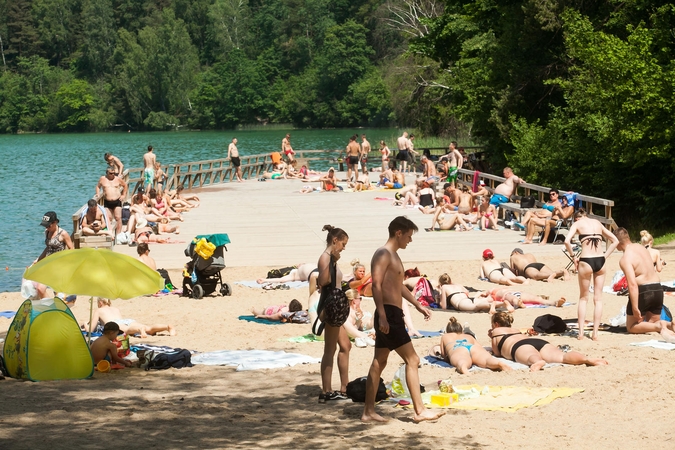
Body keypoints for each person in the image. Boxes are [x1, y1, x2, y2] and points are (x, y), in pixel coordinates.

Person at [361, 216, 444, 423]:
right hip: (388, 313)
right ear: (398, 233)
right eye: (408, 236)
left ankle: (368, 412)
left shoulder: (394, 256)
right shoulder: (383, 254)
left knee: (379, 362)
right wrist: (381, 315)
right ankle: (419, 410)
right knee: (412, 359)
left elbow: (397, 286)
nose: (410, 240)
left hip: (392, 312)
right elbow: (377, 285)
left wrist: (417, 305)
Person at [564, 209, 619, 340]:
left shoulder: (577, 224)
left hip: (586, 260)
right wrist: (605, 256)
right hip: (600, 260)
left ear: (577, 218)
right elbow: (615, 240)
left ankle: (581, 333)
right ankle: (595, 333)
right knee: (598, 299)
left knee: (583, 298)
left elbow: (567, 241)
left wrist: (573, 257)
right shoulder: (597, 223)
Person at [489, 312, 608, 372]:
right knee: (562, 356)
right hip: (537, 341)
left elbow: (497, 353)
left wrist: (492, 336)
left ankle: (537, 362)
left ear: (496, 324)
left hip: (519, 346)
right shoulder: (516, 330)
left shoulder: (496, 331)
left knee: (532, 356)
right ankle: (586, 359)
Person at [615, 228, 675, 342]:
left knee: (632, 326)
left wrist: (635, 307)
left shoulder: (625, 258)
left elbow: (632, 284)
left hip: (643, 290)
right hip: (657, 287)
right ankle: (669, 325)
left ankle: (661, 325)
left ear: (618, 242)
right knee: (651, 324)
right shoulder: (641, 247)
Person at [317, 225, 351, 403]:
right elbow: (323, 281)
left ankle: (345, 387)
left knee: (346, 346)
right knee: (330, 349)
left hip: (336, 307)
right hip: (329, 308)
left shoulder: (331, 258)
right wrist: (332, 261)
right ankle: (326, 391)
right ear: (335, 240)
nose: (343, 248)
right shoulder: (325, 257)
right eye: (343, 244)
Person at [435, 317, 511, 373]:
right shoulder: (469, 336)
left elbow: (444, 355)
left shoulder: (445, 336)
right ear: (461, 330)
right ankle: (499, 363)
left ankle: (464, 370)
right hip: (472, 347)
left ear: (448, 331)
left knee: (462, 362)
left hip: (458, 348)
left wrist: (450, 358)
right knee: (487, 360)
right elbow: (480, 347)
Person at [88, 298, 176, 338]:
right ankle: (167, 327)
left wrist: (85, 324)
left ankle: (140, 329)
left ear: (100, 303)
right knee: (148, 328)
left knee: (127, 330)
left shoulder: (98, 310)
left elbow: (91, 329)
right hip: (125, 321)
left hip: (115, 324)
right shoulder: (115, 309)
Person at [35, 211, 74, 298]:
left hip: (59, 266)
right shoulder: (47, 232)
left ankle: (57, 308)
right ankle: (50, 307)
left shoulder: (63, 234)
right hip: (47, 265)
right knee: (40, 289)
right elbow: (47, 248)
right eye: (45, 225)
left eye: (48, 225)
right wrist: (38, 260)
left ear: (55, 222)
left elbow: (71, 249)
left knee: (58, 294)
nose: (47, 227)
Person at [477, 287, 566, 314]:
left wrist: (481, 294)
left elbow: (480, 298)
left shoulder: (492, 292)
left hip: (509, 295)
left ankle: (554, 302)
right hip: (515, 293)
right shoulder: (492, 294)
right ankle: (553, 302)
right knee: (538, 299)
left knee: (537, 299)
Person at [96, 166, 128, 239]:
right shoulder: (102, 179)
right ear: (107, 173)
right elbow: (98, 186)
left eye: (114, 173)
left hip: (117, 201)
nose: (113, 175)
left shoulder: (118, 179)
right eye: (111, 173)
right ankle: (109, 234)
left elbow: (125, 185)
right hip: (107, 201)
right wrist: (98, 194)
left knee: (118, 217)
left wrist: (123, 195)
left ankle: (118, 235)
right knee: (108, 218)